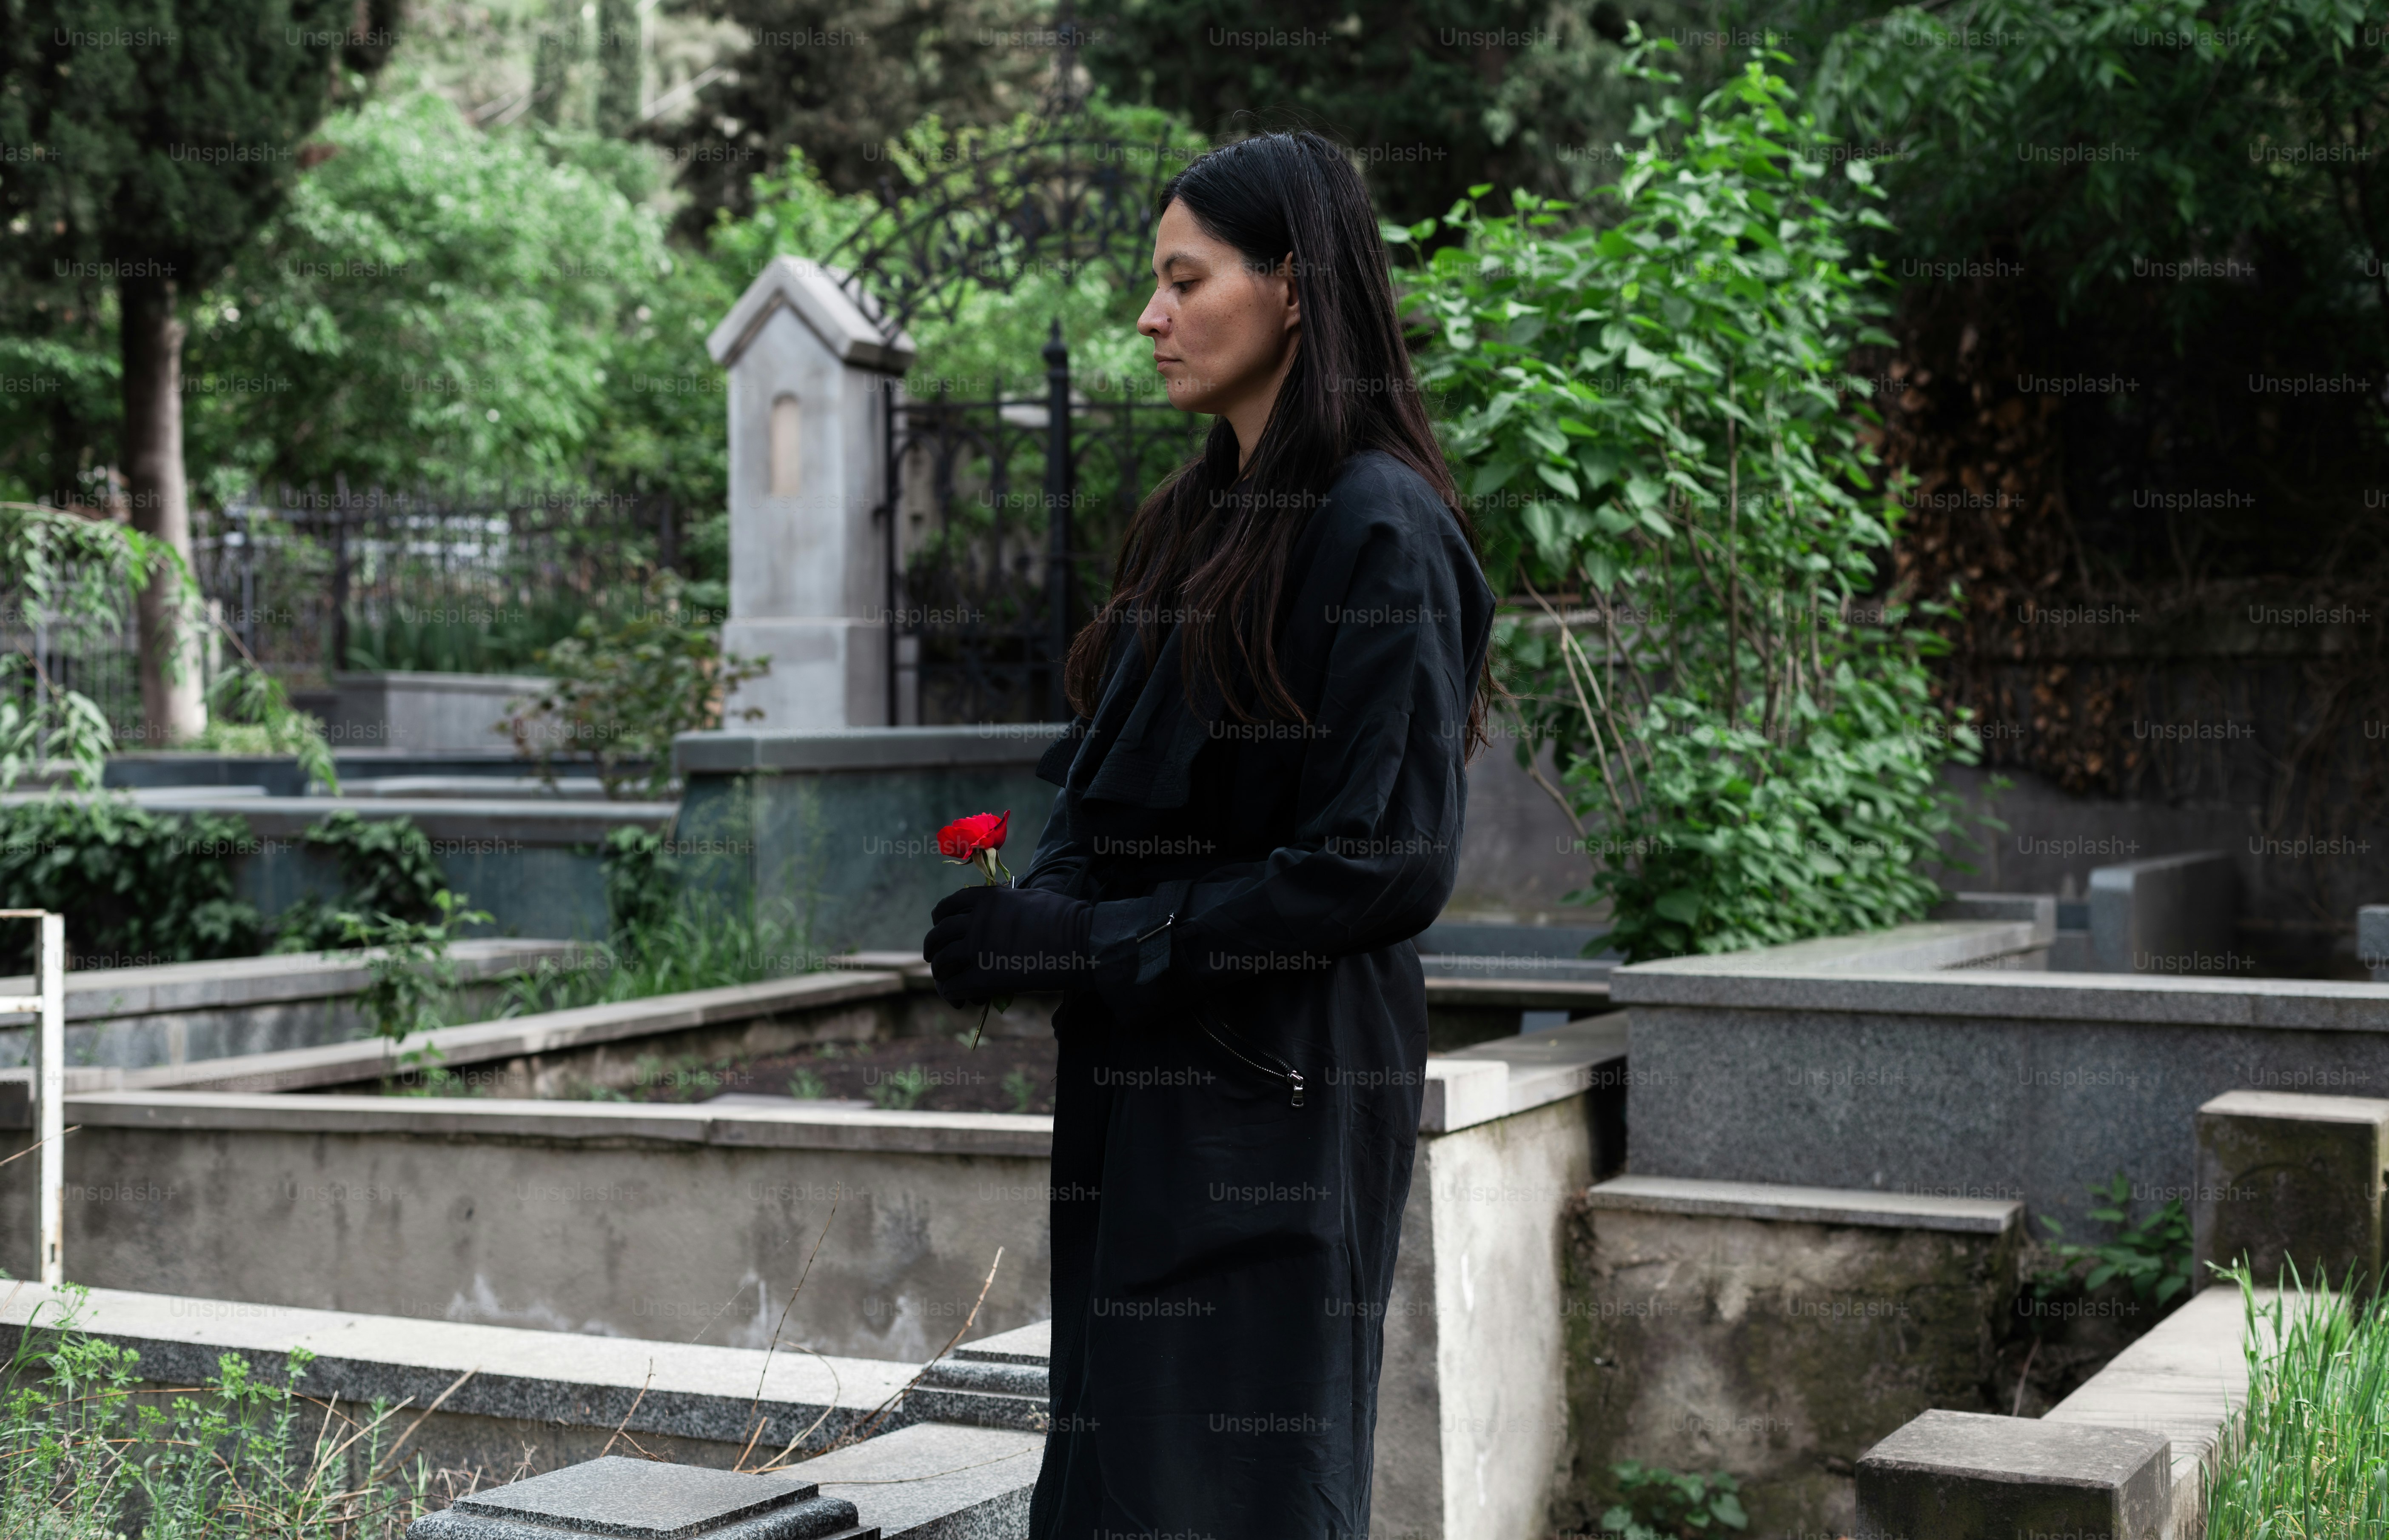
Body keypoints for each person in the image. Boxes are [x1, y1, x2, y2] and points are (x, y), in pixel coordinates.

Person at [921, 127, 1496, 1540]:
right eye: (1153, 283)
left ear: (1294, 288)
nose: (1150, 315)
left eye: (1186, 280)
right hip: (1139, 1097)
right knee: (1119, 1478)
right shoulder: (1194, 522)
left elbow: (1382, 861)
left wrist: (1101, 938)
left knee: (1233, 1493)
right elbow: (1110, 799)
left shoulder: (1381, 525)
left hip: (1279, 1100)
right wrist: (1026, 921)